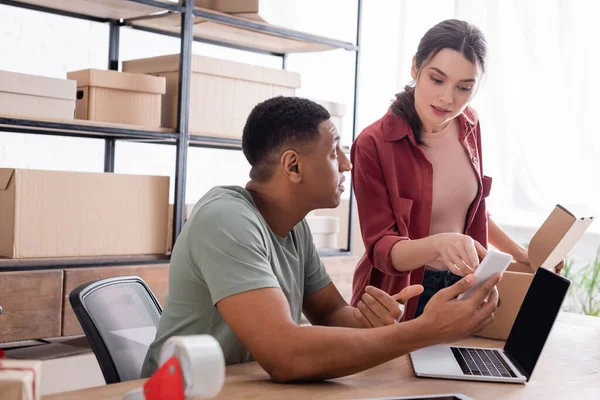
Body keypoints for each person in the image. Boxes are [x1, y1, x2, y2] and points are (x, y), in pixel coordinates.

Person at [141, 96, 501, 382]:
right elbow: (286, 355)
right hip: (183, 392)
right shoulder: (225, 220)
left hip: (240, 385)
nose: (346, 164)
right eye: (334, 152)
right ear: (293, 166)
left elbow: (330, 313)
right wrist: (424, 331)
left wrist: (368, 322)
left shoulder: (293, 226)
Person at [350, 19, 545, 320]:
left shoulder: (470, 125)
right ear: (415, 68)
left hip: (464, 285)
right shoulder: (372, 144)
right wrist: (440, 244)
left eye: (464, 87)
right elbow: (380, 247)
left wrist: (523, 256)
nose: (447, 98)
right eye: (436, 79)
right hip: (403, 295)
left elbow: (471, 209)